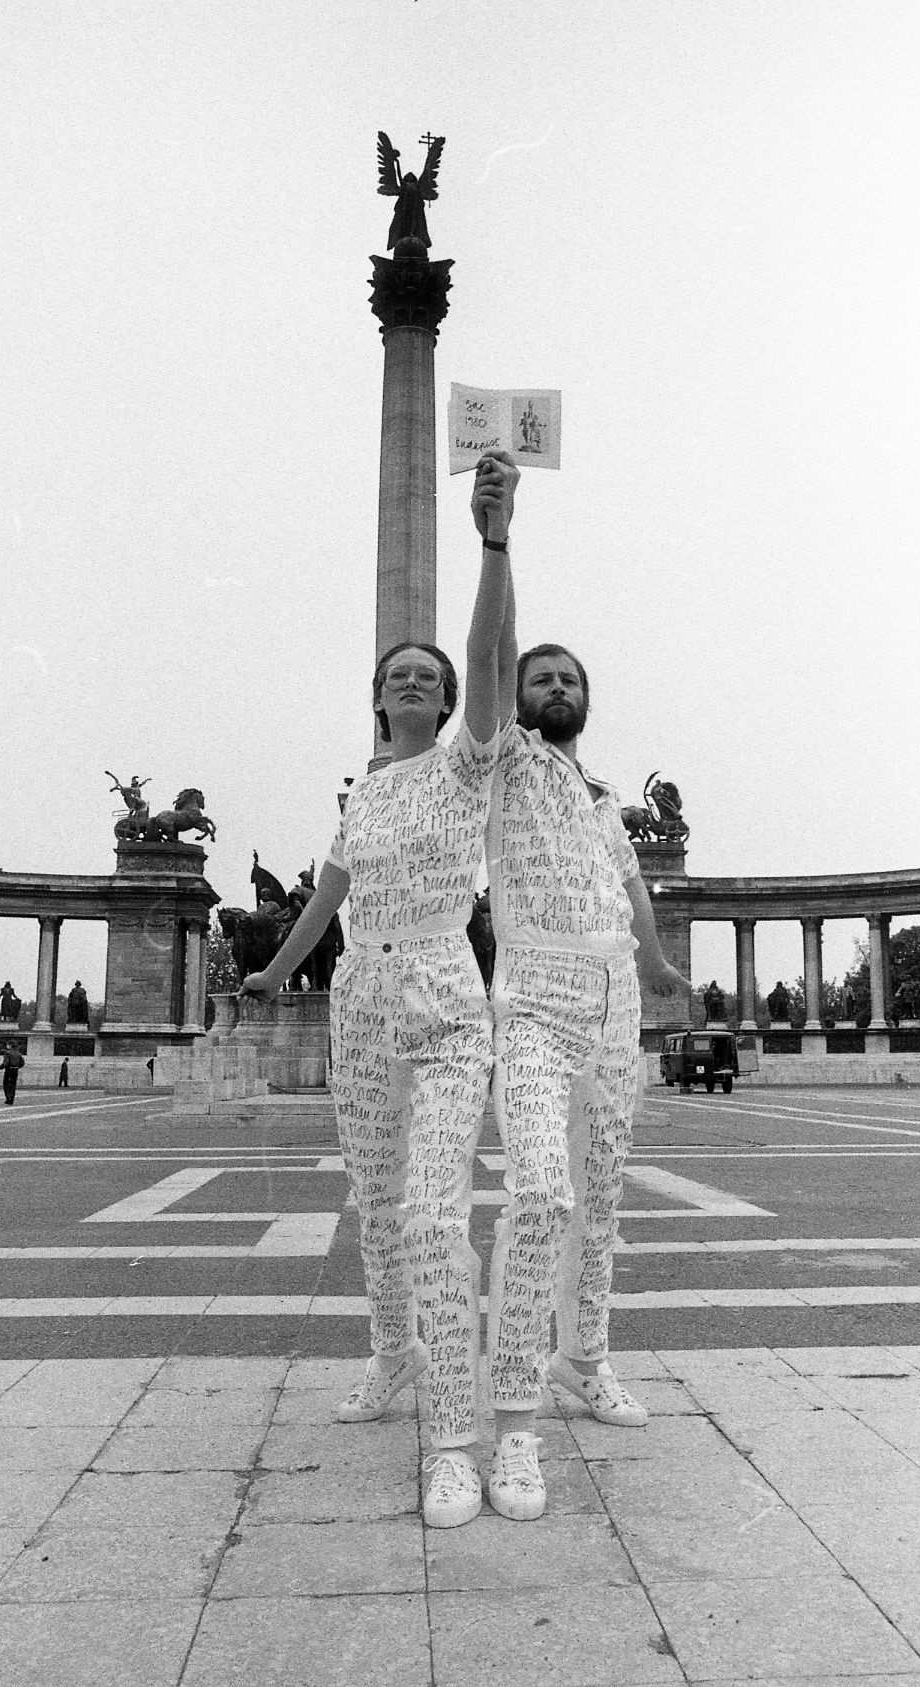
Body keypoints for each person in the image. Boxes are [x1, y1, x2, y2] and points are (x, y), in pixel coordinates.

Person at [239, 452, 518, 1531]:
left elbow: (493, 664)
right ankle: (388, 1356)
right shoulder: (363, 797)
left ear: (447, 701)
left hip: (446, 993)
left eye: (428, 677)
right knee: (377, 1200)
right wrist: (271, 971)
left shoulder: (465, 765)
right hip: (360, 994)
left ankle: (455, 1436)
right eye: (396, 675)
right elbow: (324, 901)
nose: (412, 683)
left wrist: (492, 539)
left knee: (436, 1211)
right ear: (377, 697)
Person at [482, 590, 690, 1521]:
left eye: (568, 678)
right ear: (517, 694)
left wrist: (657, 965)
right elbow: (489, 652)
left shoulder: (604, 796)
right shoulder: (503, 763)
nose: (554, 685)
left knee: (599, 1197)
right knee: (539, 1191)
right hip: (532, 993)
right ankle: (515, 1419)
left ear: (586, 700)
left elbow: (633, 890)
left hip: (614, 999)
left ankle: (586, 1356)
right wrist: (497, 537)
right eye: (540, 676)